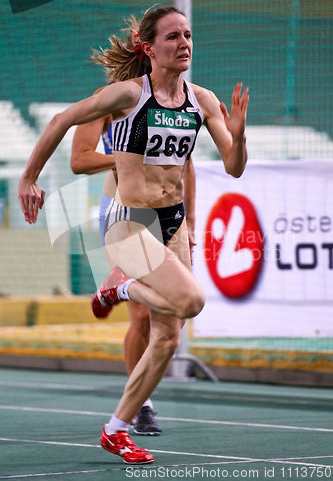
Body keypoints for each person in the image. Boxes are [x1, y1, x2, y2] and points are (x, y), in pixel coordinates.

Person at [18, 6, 248, 465]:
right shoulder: (126, 95)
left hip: (174, 221)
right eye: (172, 37)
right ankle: (120, 288)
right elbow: (60, 120)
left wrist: (238, 138)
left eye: (188, 35)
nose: (184, 43)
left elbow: (234, 168)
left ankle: (116, 429)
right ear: (148, 48)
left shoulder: (201, 100)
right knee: (191, 301)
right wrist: (29, 179)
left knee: (168, 336)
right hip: (129, 221)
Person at [70, 68, 196, 435]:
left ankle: (117, 290)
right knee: (141, 317)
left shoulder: (178, 103)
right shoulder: (114, 98)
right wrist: (126, 160)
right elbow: (80, 160)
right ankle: (142, 407)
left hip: (169, 215)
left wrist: (190, 222)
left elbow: (187, 166)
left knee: (177, 313)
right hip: (123, 209)